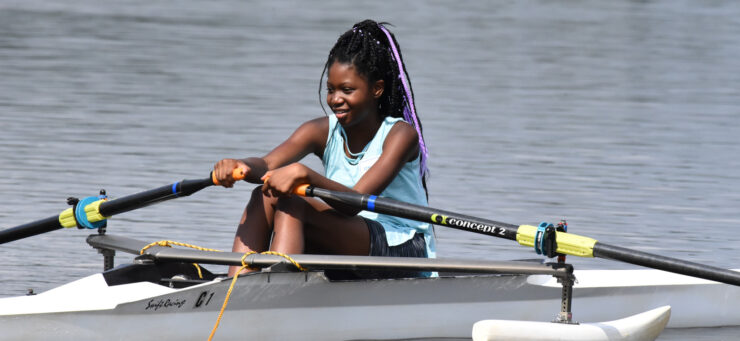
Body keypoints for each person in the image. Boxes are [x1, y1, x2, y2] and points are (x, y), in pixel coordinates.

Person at [213, 19, 435, 277]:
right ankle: (237, 284)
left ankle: (274, 292)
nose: (335, 99)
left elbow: (356, 201)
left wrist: (307, 175)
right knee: (264, 194)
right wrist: (240, 165)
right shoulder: (319, 130)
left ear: (377, 89)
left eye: (347, 90)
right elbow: (266, 165)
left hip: (403, 246)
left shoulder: (401, 135)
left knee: (294, 204)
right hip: (350, 233)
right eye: (331, 90)